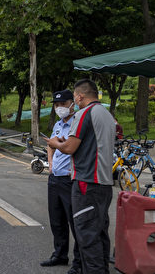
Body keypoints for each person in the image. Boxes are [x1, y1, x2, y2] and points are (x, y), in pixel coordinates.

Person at [44, 79, 115, 274]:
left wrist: (55, 143)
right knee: (99, 233)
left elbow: (69, 147)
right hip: (104, 183)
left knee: (87, 236)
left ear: (79, 96)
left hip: (86, 182)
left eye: (74, 96)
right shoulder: (107, 115)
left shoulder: (85, 114)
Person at [41, 89, 82, 273]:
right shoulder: (58, 124)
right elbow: (51, 144)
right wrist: (50, 163)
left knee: (75, 221)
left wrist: (59, 145)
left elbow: (71, 147)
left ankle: (79, 262)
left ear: (72, 104)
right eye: (57, 105)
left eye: (63, 104)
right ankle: (60, 254)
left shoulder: (77, 124)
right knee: (56, 219)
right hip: (54, 178)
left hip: (69, 179)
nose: (60, 108)